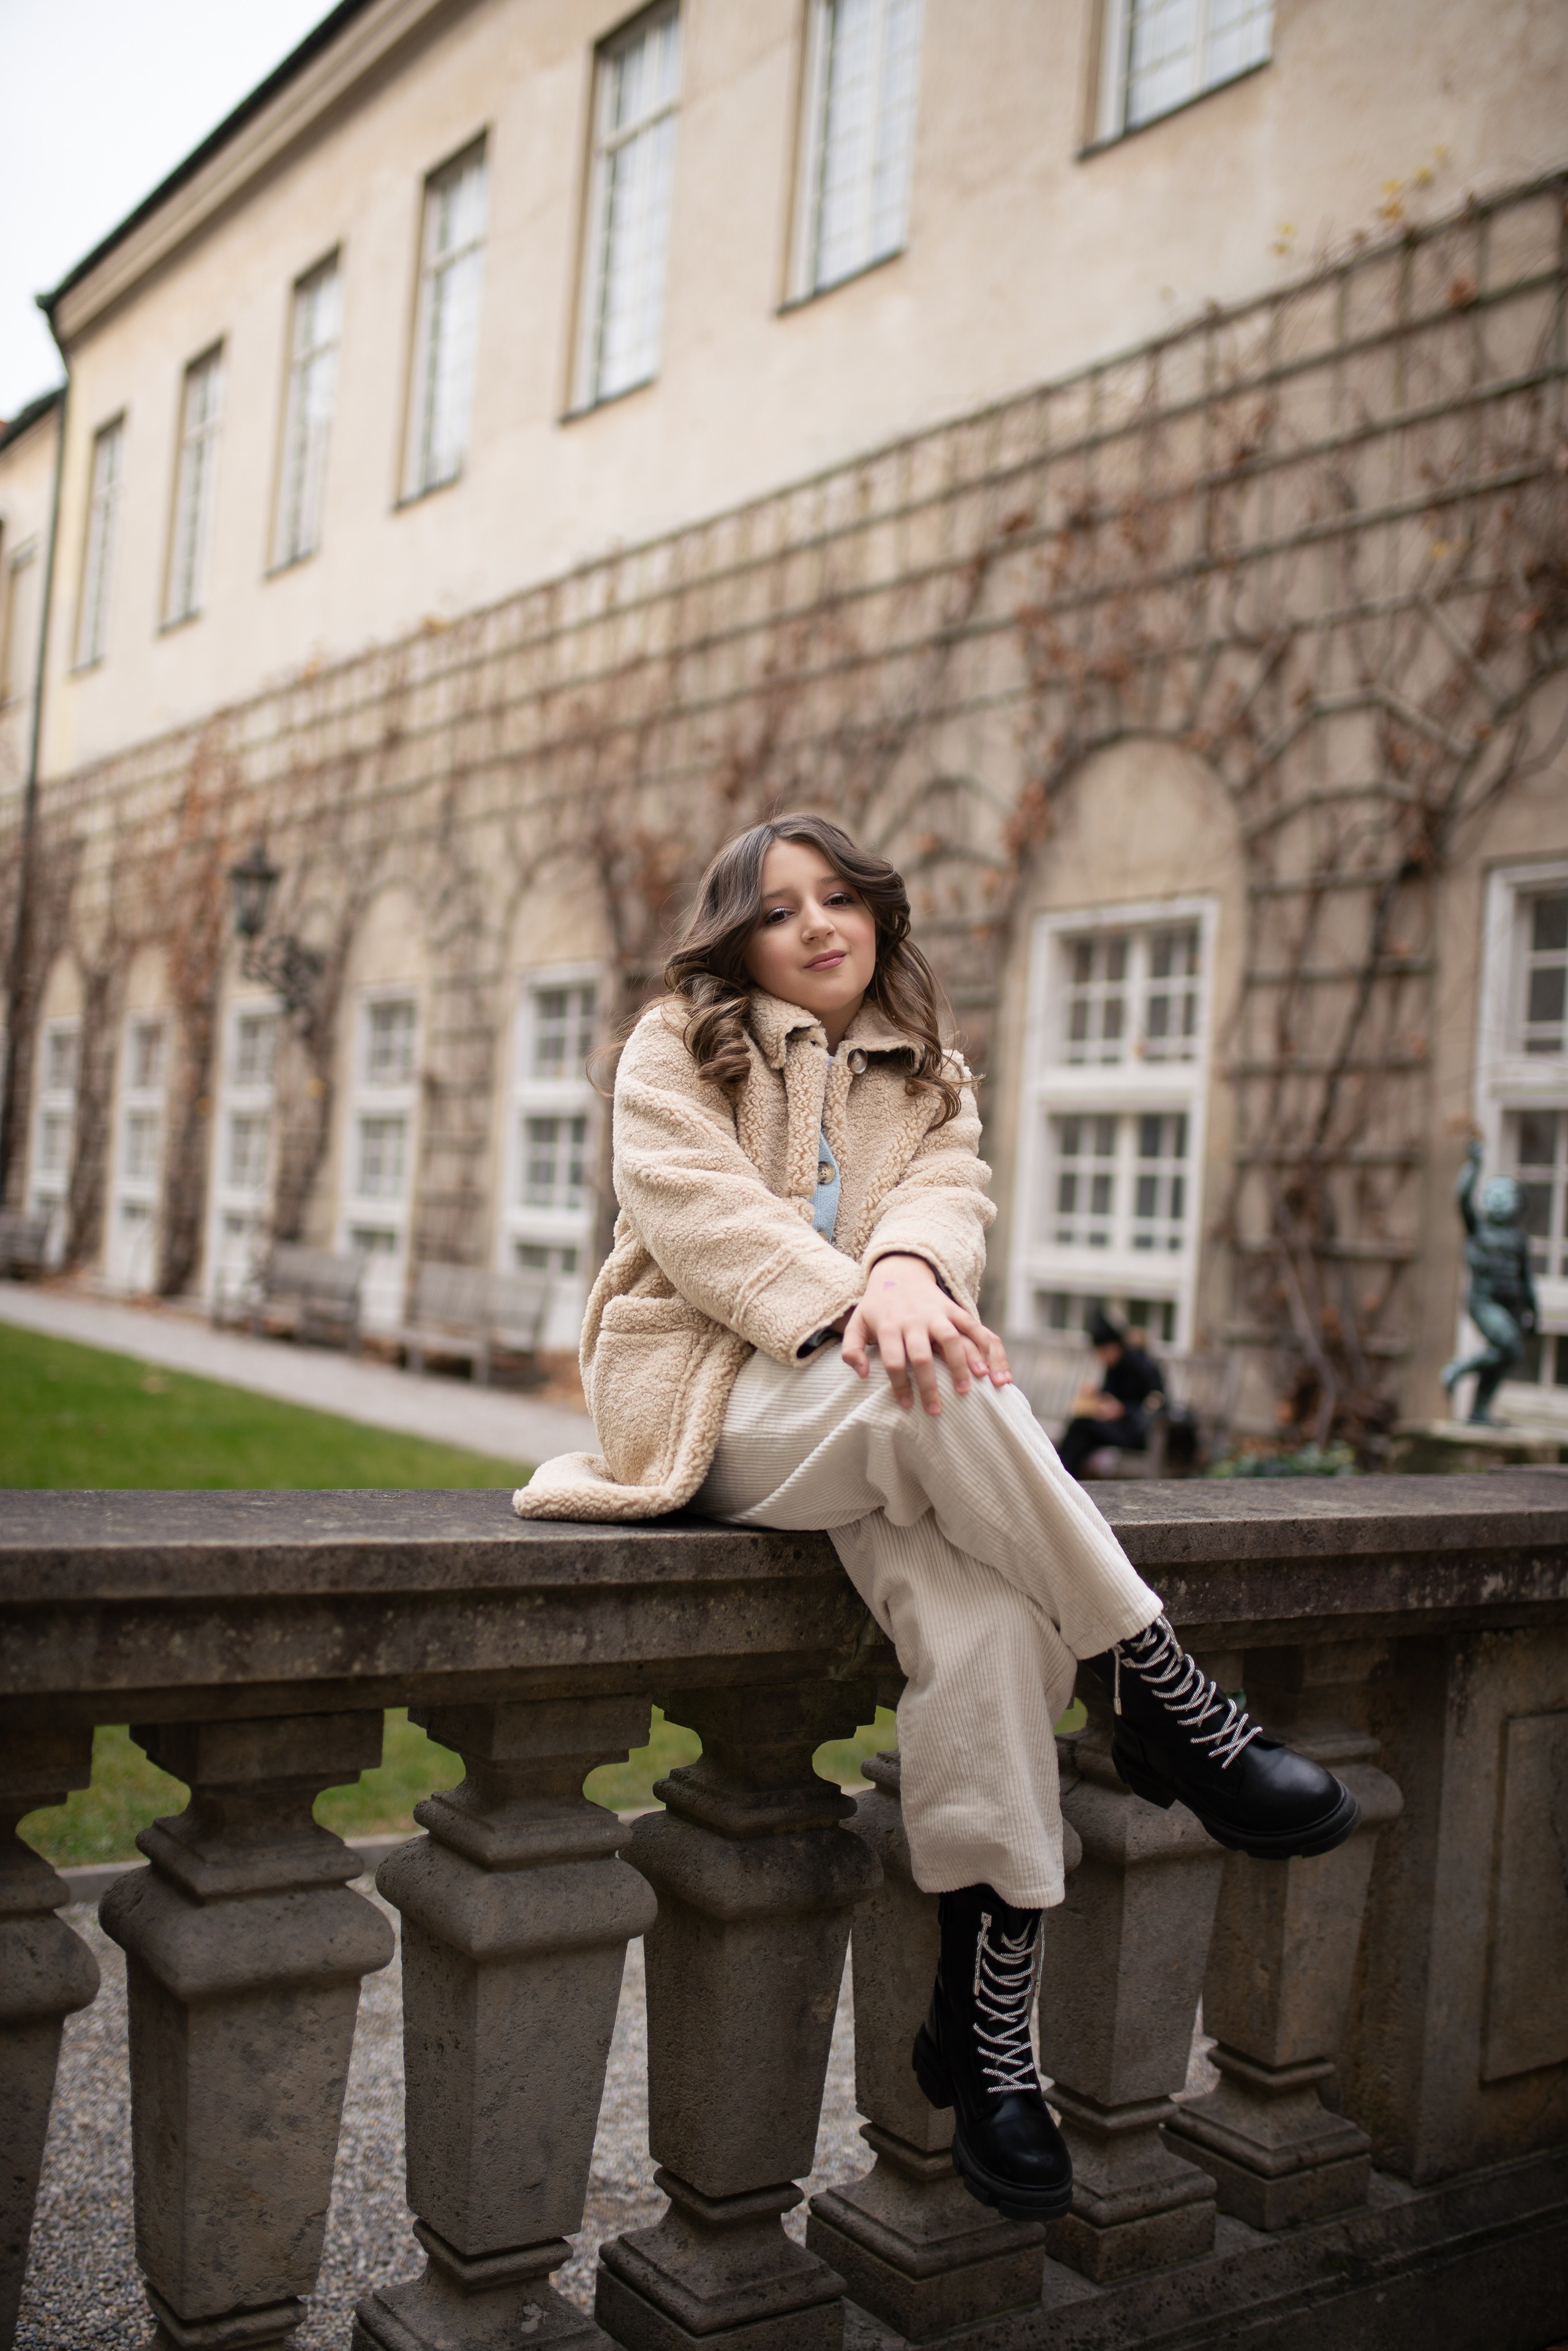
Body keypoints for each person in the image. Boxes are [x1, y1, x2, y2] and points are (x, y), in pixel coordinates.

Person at [516, 813, 1360, 2227]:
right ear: (738, 936)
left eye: (838, 896)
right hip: (710, 1406)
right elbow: (696, 1212)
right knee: (942, 1383)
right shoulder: (680, 1041)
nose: (815, 925)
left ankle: (984, 2042)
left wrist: (908, 1266)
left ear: (876, 916)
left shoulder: (933, 1078)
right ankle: (1164, 1687)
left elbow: (946, 1199)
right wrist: (867, 1297)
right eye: (779, 908)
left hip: (875, 1403)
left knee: (988, 1626)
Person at [1441, 1138, 1539, 1425]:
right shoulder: (1479, 1230)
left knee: (1505, 1357)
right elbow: (1461, 1198)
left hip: (1511, 1305)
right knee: (1510, 1347)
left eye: (1504, 1194)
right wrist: (1475, 1165)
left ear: (1518, 1204)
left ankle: (1479, 1411)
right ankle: (1460, 1368)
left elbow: (1526, 1278)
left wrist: (1534, 1311)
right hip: (1484, 1302)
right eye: (1491, 1192)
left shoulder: (1517, 1240)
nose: (1497, 1199)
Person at [1056, 1311, 1165, 1480]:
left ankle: (1061, 1476)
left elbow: (1158, 1404)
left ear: (1115, 1346)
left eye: (1104, 1352)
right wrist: (1097, 1395)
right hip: (1116, 1428)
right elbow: (1112, 1397)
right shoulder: (1114, 1367)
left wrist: (1123, 1410)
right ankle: (1064, 1475)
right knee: (1081, 1431)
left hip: (1137, 1433)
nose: (1102, 1358)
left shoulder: (1142, 1366)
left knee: (1083, 1427)